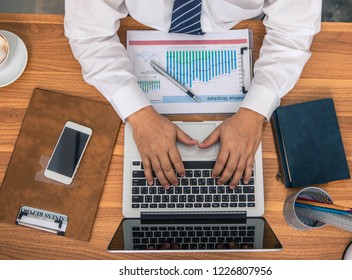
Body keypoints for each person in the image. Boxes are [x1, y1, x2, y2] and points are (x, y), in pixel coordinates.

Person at [64, 0, 322, 190]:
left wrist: (254, 114)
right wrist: (139, 114)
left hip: (236, 30)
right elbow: (89, 34)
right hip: (147, 26)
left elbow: (292, 33)